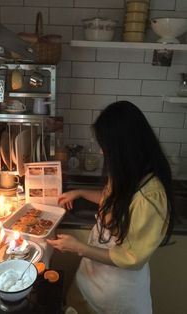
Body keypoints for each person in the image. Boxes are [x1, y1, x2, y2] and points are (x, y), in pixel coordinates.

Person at [47, 101, 174, 314]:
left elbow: (130, 258)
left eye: (105, 146)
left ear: (124, 146)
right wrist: (79, 192)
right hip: (91, 276)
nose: (103, 152)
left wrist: (78, 247)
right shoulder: (128, 171)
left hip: (120, 292)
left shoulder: (152, 196)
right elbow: (114, 201)